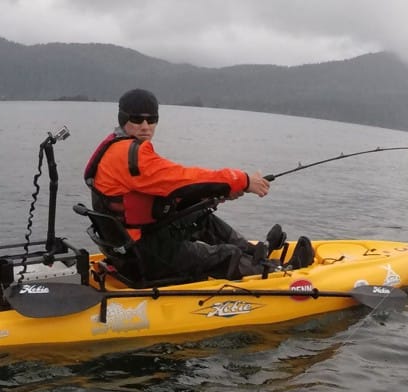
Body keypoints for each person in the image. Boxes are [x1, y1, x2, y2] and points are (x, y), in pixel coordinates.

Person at [84, 88, 284, 283]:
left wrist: (219, 192)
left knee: (202, 217)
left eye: (152, 120)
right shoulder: (131, 157)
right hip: (143, 256)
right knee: (226, 254)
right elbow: (184, 180)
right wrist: (244, 180)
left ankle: (254, 253)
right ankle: (276, 273)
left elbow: (161, 190)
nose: (145, 126)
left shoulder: (117, 147)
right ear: (123, 119)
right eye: (137, 119)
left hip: (129, 247)